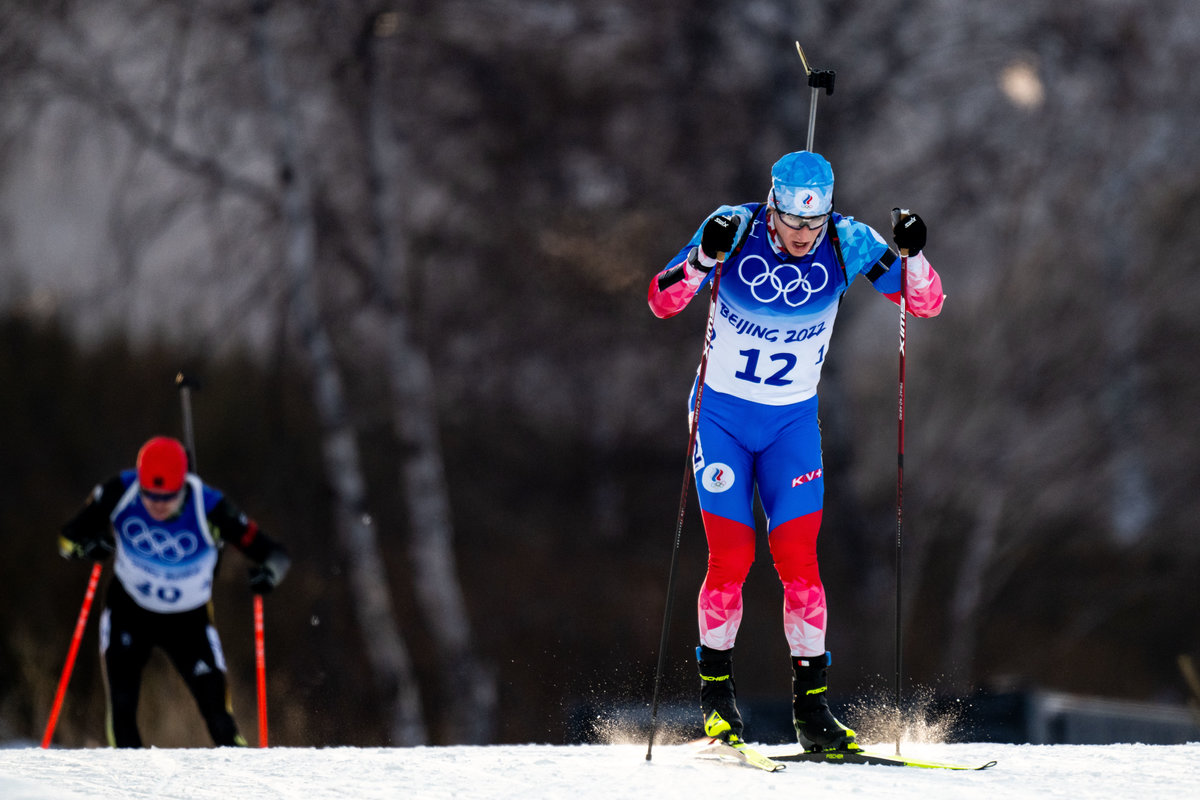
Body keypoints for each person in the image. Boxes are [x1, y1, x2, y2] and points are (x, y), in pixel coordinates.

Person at [647, 150, 944, 752]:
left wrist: (914, 255)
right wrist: (705, 255)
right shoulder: (733, 227)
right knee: (732, 559)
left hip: (791, 425)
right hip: (722, 418)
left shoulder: (847, 241)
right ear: (772, 206)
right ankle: (717, 705)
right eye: (792, 223)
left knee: (800, 566)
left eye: (815, 223)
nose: (804, 236)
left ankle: (812, 714)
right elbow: (662, 299)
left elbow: (926, 302)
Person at [58, 435, 291, 748]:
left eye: (166, 497)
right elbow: (66, 540)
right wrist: (87, 546)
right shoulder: (119, 491)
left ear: (183, 484)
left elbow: (276, 556)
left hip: (188, 622)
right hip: (129, 611)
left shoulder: (209, 506)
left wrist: (268, 575)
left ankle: (242, 786)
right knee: (122, 710)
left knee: (219, 716)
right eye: (149, 494)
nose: (156, 504)